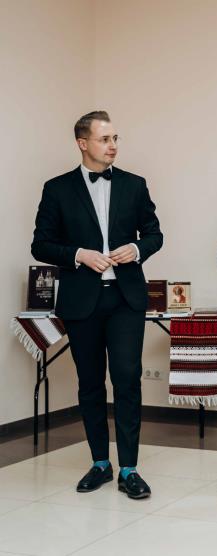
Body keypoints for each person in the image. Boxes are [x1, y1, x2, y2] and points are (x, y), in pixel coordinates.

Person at [31, 110, 163, 499]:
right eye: (105, 139)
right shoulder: (57, 189)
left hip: (126, 298)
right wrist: (78, 255)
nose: (113, 146)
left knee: (127, 380)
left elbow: (154, 234)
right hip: (81, 300)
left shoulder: (135, 185)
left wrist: (136, 248)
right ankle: (100, 463)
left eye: (116, 138)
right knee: (89, 384)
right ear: (82, 143)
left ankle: (130, 469)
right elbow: (41, 244)